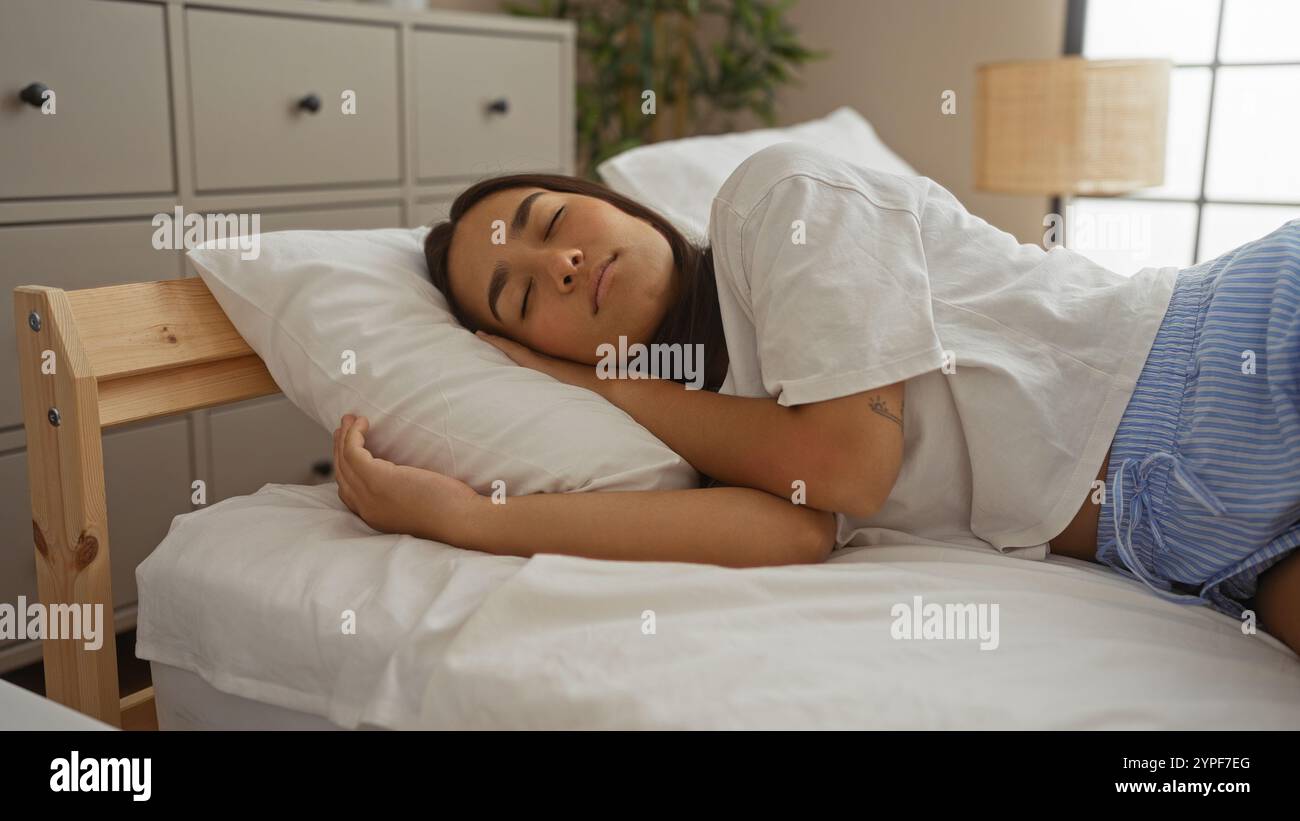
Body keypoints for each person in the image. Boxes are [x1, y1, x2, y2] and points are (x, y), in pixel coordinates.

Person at [331, 142, 1300, 655]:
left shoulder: (775, 197)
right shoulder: (727, 424)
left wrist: (604, 379)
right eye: (520, 295)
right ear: (521, 345)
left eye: (546, 221)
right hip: (1187, 551)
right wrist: (468, 516)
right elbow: (796, 530)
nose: (560, 260)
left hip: (1221, 361)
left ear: (609, 200)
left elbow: (848, 464)